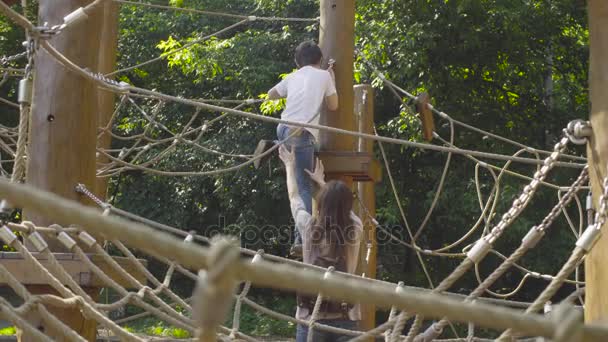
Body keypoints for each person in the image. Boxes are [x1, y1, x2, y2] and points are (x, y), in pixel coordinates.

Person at [254, 41, 338, 255]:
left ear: (296, 62)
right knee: (304, 186)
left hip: (283, 129)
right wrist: (331, 79)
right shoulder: (325, 76)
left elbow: (271, 94)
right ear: (319, 60)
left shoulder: (293, 76)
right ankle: (302, 238)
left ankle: (275, 146)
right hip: (303, 133)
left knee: (297, 172)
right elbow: (334, 105)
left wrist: (292, 87)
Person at [278, 145, 362, 342]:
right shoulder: (354, 230)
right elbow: (340, 207)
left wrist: (290, 166)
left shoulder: (308, 228)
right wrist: (323, 184)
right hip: (345, 319)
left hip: (311, 319)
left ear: (323, 203)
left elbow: (294, 198)